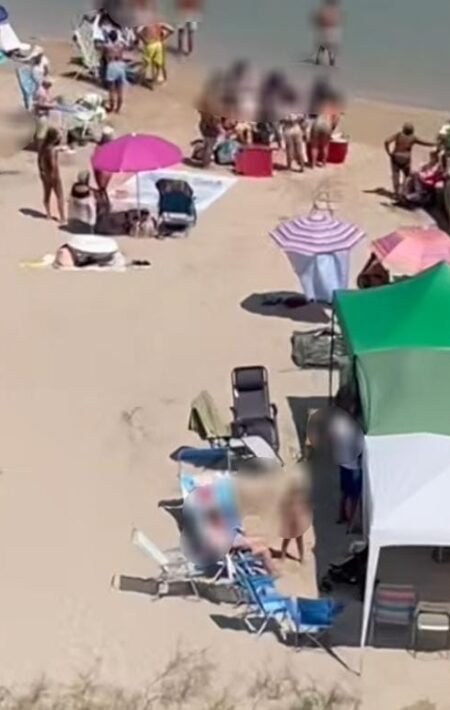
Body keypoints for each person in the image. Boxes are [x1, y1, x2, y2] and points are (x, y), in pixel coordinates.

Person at [330, 387, 364, 532]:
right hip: (353, 464)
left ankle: (341, 516)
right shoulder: (352, 424)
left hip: (342, 461)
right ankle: (352, 523)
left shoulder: (337, 420)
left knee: (345, 492)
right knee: (354, 496)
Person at [384, 123, 435, 199]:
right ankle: (405, 192)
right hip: (406, 158)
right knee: (407, 176)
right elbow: (425, 142)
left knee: (395, 175)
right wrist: (435, 144)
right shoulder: (413, 138)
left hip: (396, 156)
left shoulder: (398, 135)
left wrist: (388, 152)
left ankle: (396, 193)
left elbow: (386, 141)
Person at [279, 478, 311, 563]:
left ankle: (301, 557)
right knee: (288, 539)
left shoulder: (299, 498)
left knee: (298, 539)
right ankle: (284, 555)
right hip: (291, 520)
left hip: (297, 520)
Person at [37, 127, 65, 222]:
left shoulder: (42, 147)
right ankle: (62, 217)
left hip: (45, 175)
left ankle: (48, 214)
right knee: (60, 196)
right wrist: (55, 175)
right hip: (54, 176)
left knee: (47, 194)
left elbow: (39, 160)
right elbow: (53, 164)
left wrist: (42, 172)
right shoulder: (52, 150)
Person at [140, 21, 174, 87]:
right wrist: (163, 38)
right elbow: (171, 30)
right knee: (158, 64)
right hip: (159, 45)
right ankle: (157, 80)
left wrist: (144, 40)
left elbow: (138, 31)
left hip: (156, 45)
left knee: (158, 64)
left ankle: (163, 79)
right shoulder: (160, 25)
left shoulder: (152, 25)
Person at [310, 97, 340, 168]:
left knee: (314, 146)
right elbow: (336, 120)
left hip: (317, 123)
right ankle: (323, 164)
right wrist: (332, 129)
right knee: (325, 146)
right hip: (327, 124)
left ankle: (313, 164)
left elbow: (311, 115)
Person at [103, 30, 127, 113]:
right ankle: (118, 109)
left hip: (112, 65)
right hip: (121, 65)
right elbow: (126, 46)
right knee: (120, 90)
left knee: (111, 90)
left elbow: (104, 56)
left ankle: (111, 108)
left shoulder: (107, 46)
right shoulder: (121, 45)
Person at [312, 0, 342, 67]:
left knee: (323, 46)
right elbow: (337, 21)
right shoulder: (335, 11)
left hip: (325, 31)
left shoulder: (325, 10)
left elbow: (318, 20)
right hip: (331, 31)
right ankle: (331, 62)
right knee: (330, 47)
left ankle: (319, 61)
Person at [32, 77, 55, 149]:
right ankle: (39, 147)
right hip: (41, 115)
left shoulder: (43, 90)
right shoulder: (41, 92)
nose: (51, 85)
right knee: (41, 132)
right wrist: (51, 106)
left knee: (38, 130)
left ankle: (37, 145)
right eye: (50, 84)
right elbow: (40, 104)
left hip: (39, 114)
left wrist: (52, 101)